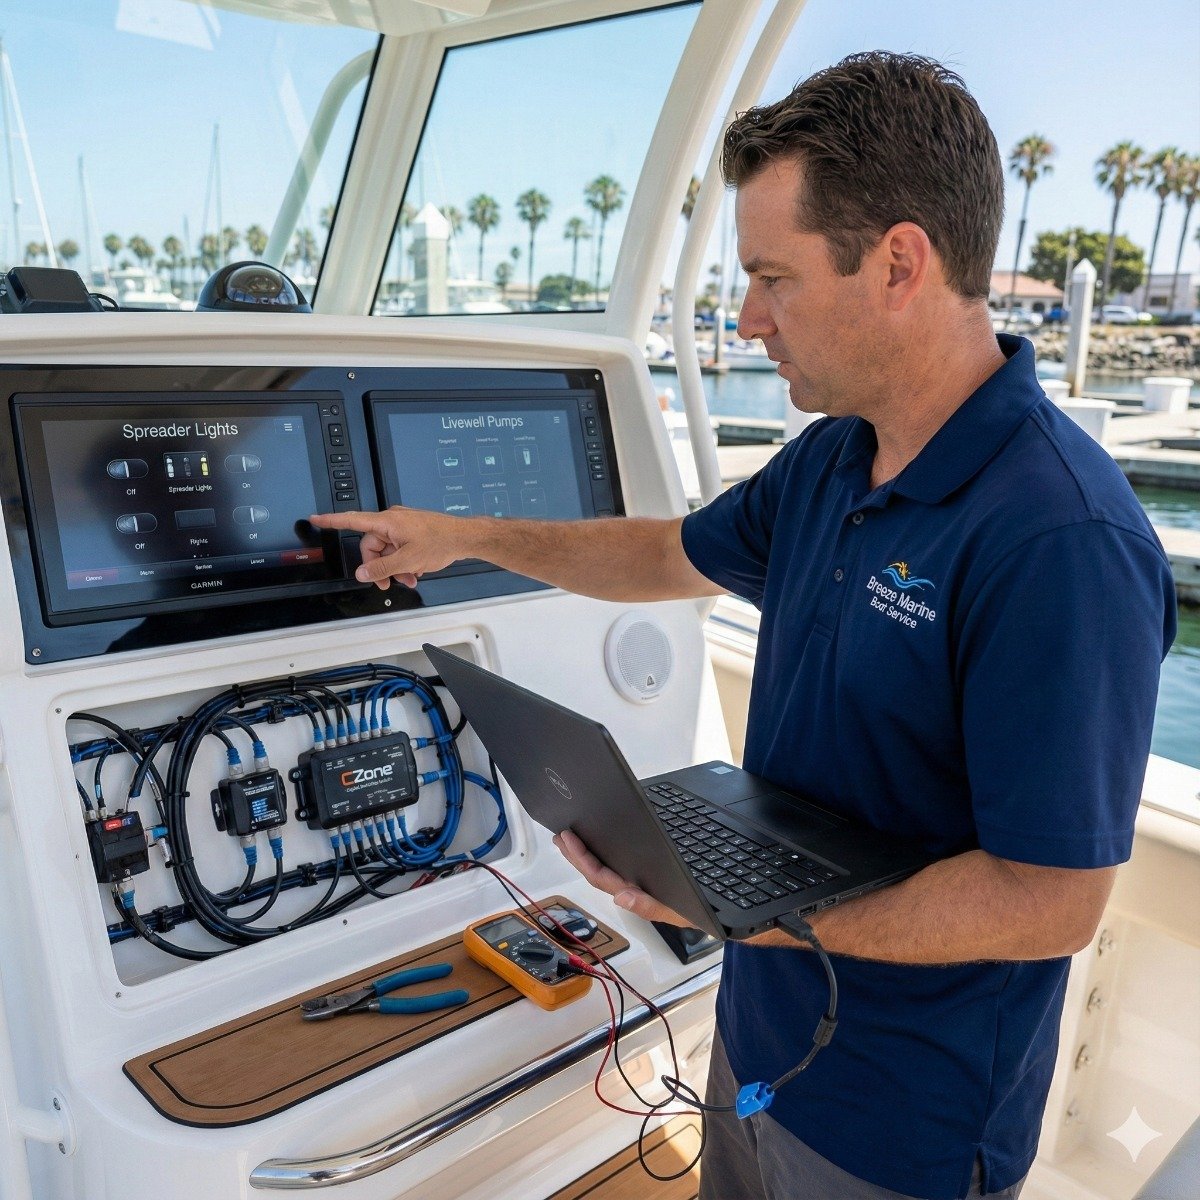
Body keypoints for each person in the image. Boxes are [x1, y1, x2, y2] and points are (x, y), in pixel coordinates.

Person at [312, 52, 1176, 1200]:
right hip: (760, 1047)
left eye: (774, 277)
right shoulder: (833, 458)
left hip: (903, 1129)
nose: (750, 318)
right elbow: (667, 554)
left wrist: (772, 920)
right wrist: (464, 536)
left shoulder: (1062, 540)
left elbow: (1052, 900)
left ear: (899, 264)